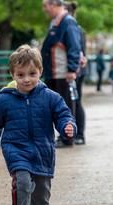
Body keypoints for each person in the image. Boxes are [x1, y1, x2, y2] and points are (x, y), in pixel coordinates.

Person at [0, 45, 76, 205]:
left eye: (32, 74)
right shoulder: (4, 100)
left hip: (43, 151)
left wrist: (68, 127)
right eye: (21, 74)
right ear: (13, 75)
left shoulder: (50, 97)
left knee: (42, 194)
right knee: (23, 182)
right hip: (16, 150)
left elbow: (63, 114)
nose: (27, 79)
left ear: (40, 72)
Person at [41, 0, 81, 147]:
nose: (44, 10)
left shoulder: (67, 22)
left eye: (46, 6)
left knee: (65, 107)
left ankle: (67, 137)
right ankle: (61, 136)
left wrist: (71, 70)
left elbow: (74, 47)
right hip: (54, 73)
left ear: (54, 4)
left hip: (62, 73)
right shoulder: (56, 22)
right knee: (54, 107)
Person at [65, 1, 87, 145]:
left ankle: (78, 134)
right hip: (78, 69)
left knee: (75, 102)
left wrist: (72, 69)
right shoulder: (78, 28)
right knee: (76, 101)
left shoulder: (73, 28)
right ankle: (78, 134)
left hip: (76, 70)